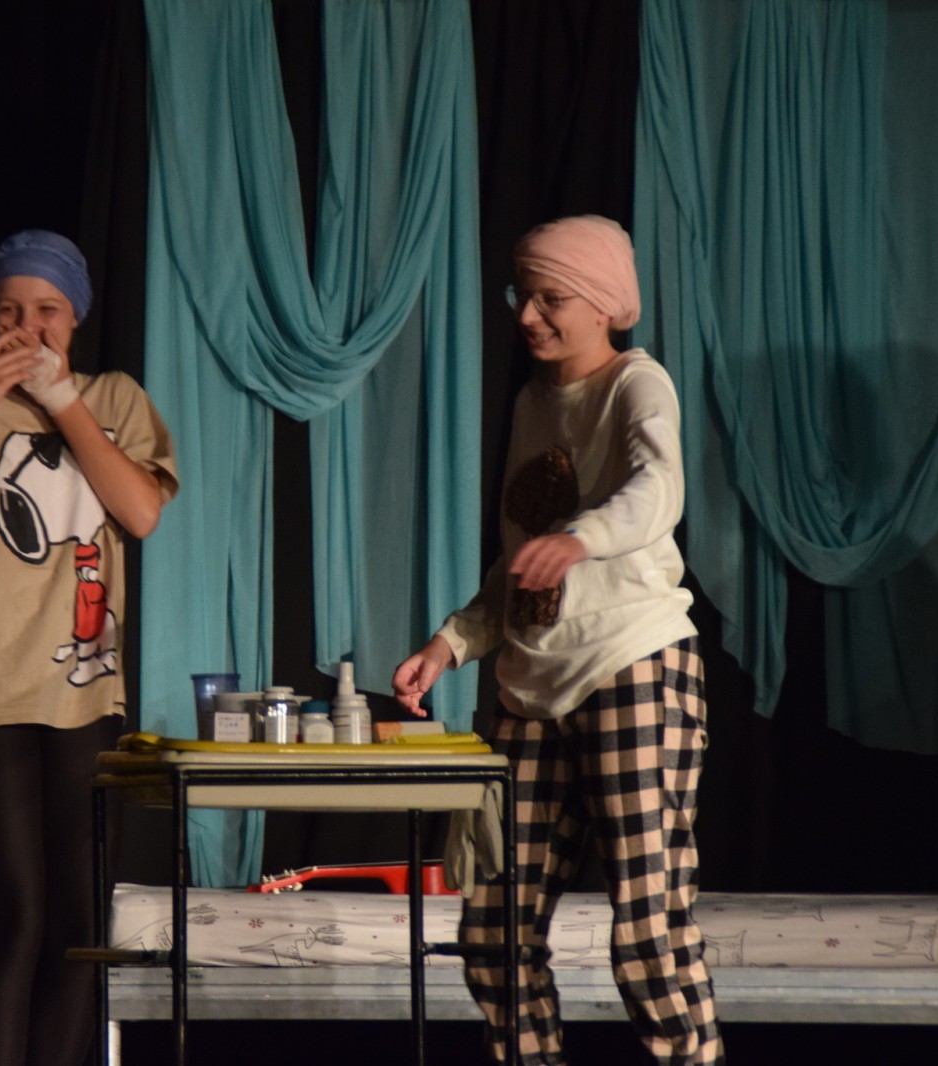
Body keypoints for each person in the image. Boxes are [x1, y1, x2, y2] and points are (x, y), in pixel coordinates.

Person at [392, 215, 724, 1065]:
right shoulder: (532, 404)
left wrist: (582, 538)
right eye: (523, 295)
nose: (528, 315)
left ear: (603, 303)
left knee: (647, 931)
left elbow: (658, 487)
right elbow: (522, 558)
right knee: (494, 931)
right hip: (530, 682)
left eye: (550, 298)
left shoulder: (635, 383)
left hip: (632, 662)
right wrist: (451, 643)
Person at [0, 229, 178, 1066]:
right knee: (14, 921)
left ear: (76, 317)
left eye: (47, 310)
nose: (28, 328)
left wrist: (63, 403)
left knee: (80, 927)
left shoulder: (113, 396)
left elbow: (140, 512)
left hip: (84, 696)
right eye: (9, 311)